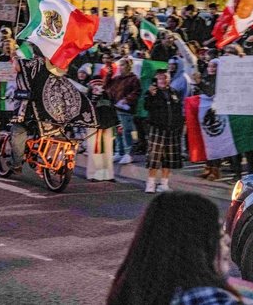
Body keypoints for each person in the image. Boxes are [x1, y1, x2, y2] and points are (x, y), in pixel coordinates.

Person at [107, 192, 240, 305]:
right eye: (218, 232)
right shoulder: (207, 298)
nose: (228, 239)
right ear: (193, 245)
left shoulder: (130, 292)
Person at [143, 70, 184, 193]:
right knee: (154, 157)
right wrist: (151, 95)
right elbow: (146, 107)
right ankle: (150, 183)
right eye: (160, 78)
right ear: (157, 80)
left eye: (165, 78)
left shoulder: (174, 92)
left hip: (172, 129)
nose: (163, 80)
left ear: (169, 79)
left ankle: (164, 183)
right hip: (157, 128)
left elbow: (178, 110)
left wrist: (180, 125)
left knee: (169, 157)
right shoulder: (152, 92)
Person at [106, 57, 141, 165]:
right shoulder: (117, 79)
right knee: (118, 131)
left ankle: (128, 153)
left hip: (126, 109)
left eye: (123, 65)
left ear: (129, 66)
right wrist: (109, 74)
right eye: (120, 65)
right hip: (115, 108)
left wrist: (127, 100)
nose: (121, 67)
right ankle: (119, 151)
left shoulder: (134, 79)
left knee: (126, 131)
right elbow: (107, 87)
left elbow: (137, 92)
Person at [85, 77, 118, 181]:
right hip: (94, 127)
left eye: (100, 85)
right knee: (95, 151)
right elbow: (88, 111)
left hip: (107, 126)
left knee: (108, 151)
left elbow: (112, 109)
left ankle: (108, 174)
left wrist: (117, 123)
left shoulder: (107, 96)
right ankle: (93, 174)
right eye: (96, 85)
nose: (98, 87)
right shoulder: (88, 97)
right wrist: (94, 98)